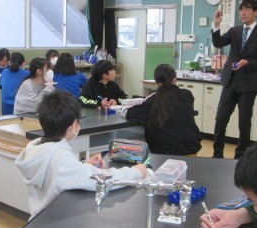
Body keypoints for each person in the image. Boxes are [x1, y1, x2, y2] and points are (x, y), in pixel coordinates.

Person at [15, 90, 147, 219]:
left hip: (40, 218)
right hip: (55, 223)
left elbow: (57, 175)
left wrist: (83, 165)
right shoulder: (60, 158)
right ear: (72, 125)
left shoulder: (38, 148)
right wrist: (136, 172)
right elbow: (102, 180)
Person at [211, 0, 257, 159]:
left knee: (244, 122)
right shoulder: (235, 31)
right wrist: (216, 25)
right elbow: (218, 43)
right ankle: (217, 153)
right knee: (221, 118)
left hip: (248, 84)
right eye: (241, 10)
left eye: (247, 9)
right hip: (230, 81)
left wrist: (248, 62)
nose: (243, 13)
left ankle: (240, 155)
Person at [125, 64, 201, 155]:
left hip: (162, 150)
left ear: (157, 81)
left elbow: (128, 113)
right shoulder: (187, 95)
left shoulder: (153, 99)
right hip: (191, 147)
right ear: (174, 78)